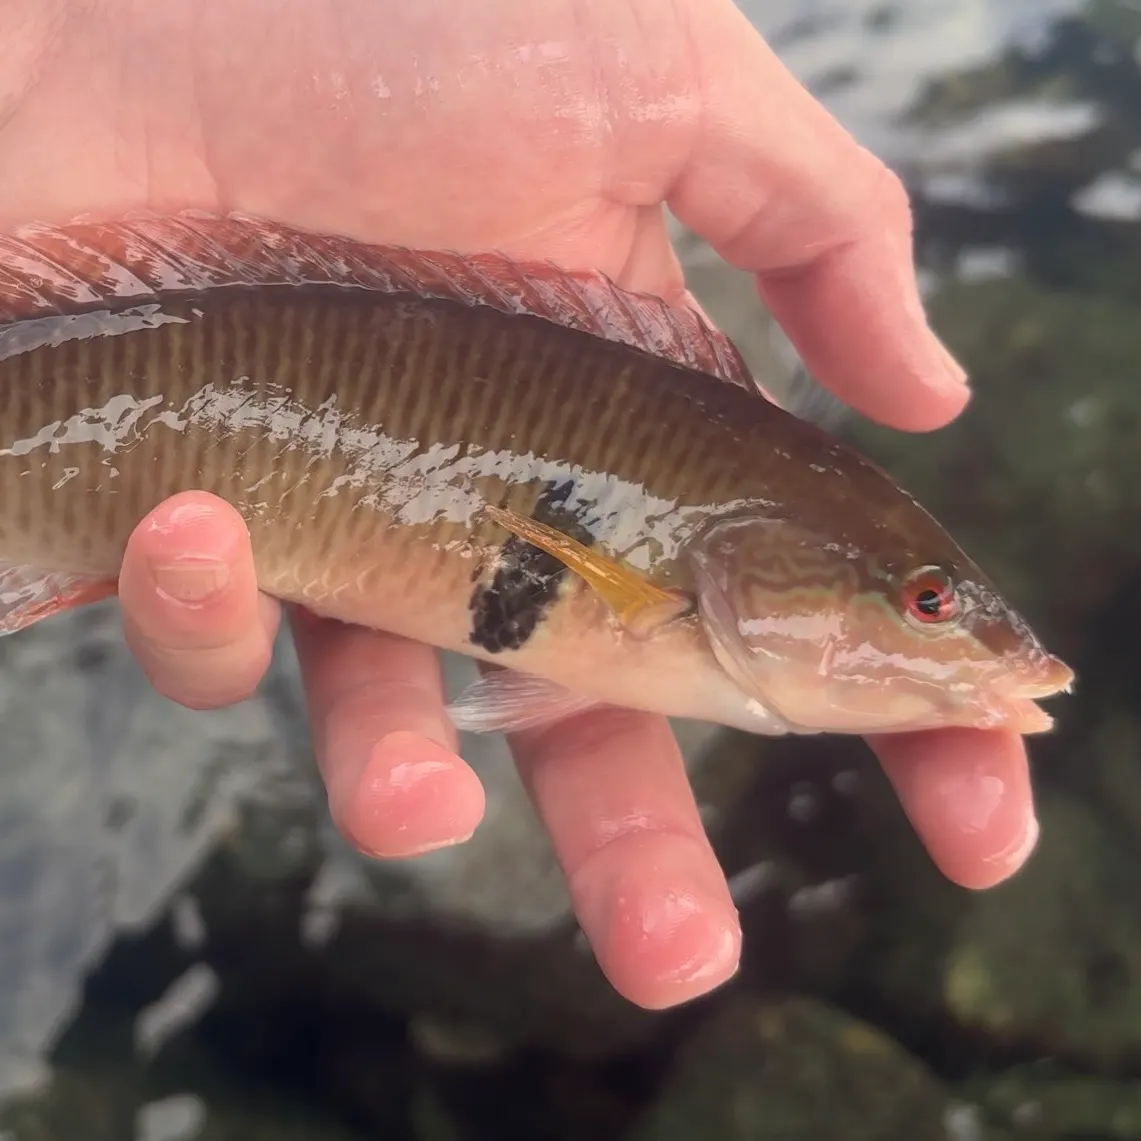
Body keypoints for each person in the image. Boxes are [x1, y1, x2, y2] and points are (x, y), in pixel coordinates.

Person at [2, 0, 1037, 1010]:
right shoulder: (672, 587)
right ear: (750, 560)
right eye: (927, 604)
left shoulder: (711, 525)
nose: (951, 636)